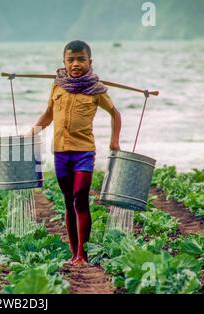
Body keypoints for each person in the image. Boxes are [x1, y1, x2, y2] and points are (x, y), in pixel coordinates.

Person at [28, 40, 122, 266]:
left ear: (90, 62)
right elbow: (49, 114)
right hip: (60, 152)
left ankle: (83, 253)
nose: (76, 64)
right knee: (68, 201)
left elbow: (115, 114)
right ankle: (74, 254)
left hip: (84, 152)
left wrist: (114, 141)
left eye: (81, 59)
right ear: (64, 62)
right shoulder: (57, 86)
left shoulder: (96, 90)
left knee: (80, 197)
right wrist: (32, 132)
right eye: (71, 60)